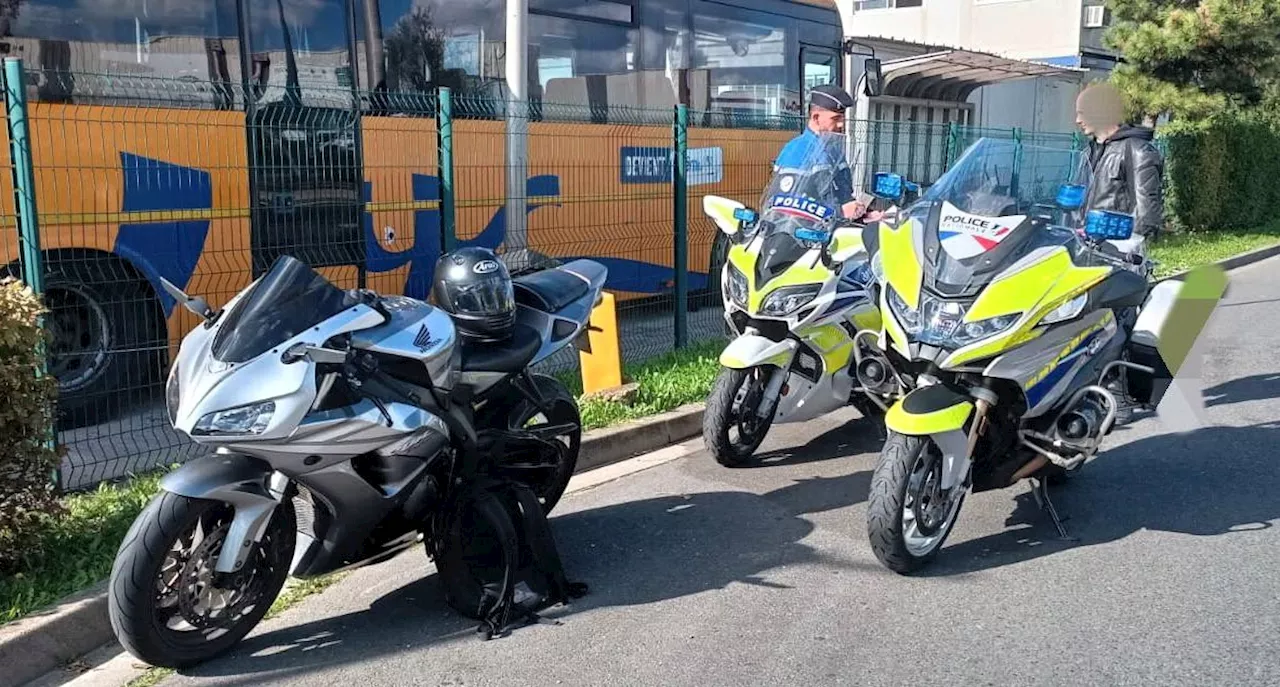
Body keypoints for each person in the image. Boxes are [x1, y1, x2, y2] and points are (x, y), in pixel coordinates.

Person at [1075, 82, 1165, 250]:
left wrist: (1121, 247)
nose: (1078, 120)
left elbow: (1145, 212)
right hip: (1085, 247)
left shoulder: (1137, 150)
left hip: (1116, 252)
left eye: (1083, 113)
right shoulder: (1089, 152)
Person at [775, 84, 875, 221]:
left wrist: (865, 214)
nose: (841, 125)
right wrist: (840, 212)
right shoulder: (797, 150)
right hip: (807, 236)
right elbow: (788, 207)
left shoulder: (833, 150)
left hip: (835, 229)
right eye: (835, 119)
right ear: (816, 118)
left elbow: (844, 196)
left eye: (842, 118)